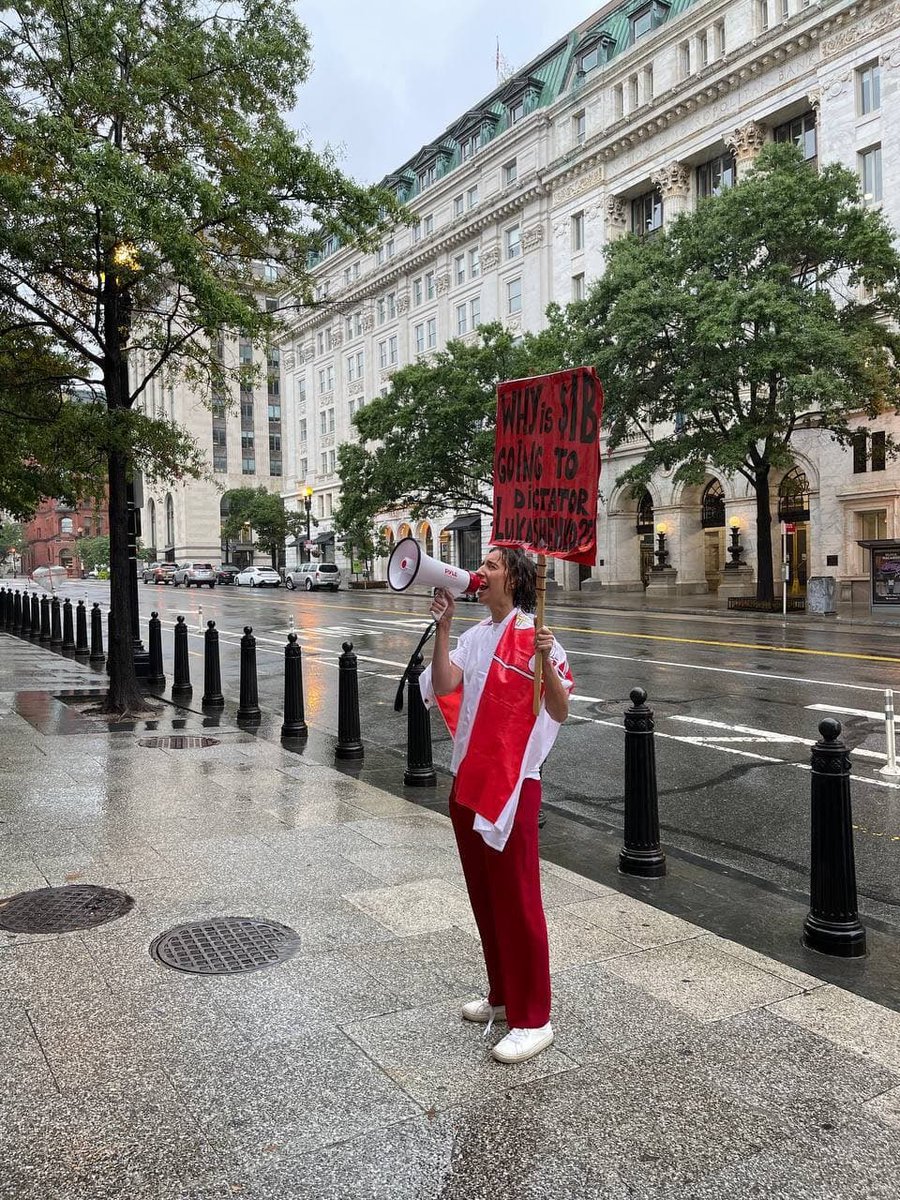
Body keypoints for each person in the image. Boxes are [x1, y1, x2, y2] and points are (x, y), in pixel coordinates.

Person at [420, 546, 573, 1064]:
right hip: (470, 778)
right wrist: (444, 627)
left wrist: (546, 664)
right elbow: (445, 685)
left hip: (512, 785)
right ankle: (503, 995)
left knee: (518, 900)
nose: (479, 572)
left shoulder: (536, 635)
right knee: (485, 896)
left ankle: (534, 1018)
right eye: (481, 565)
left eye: (491, 565)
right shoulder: (475, 636)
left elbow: (559, 710)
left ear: (515, 579)